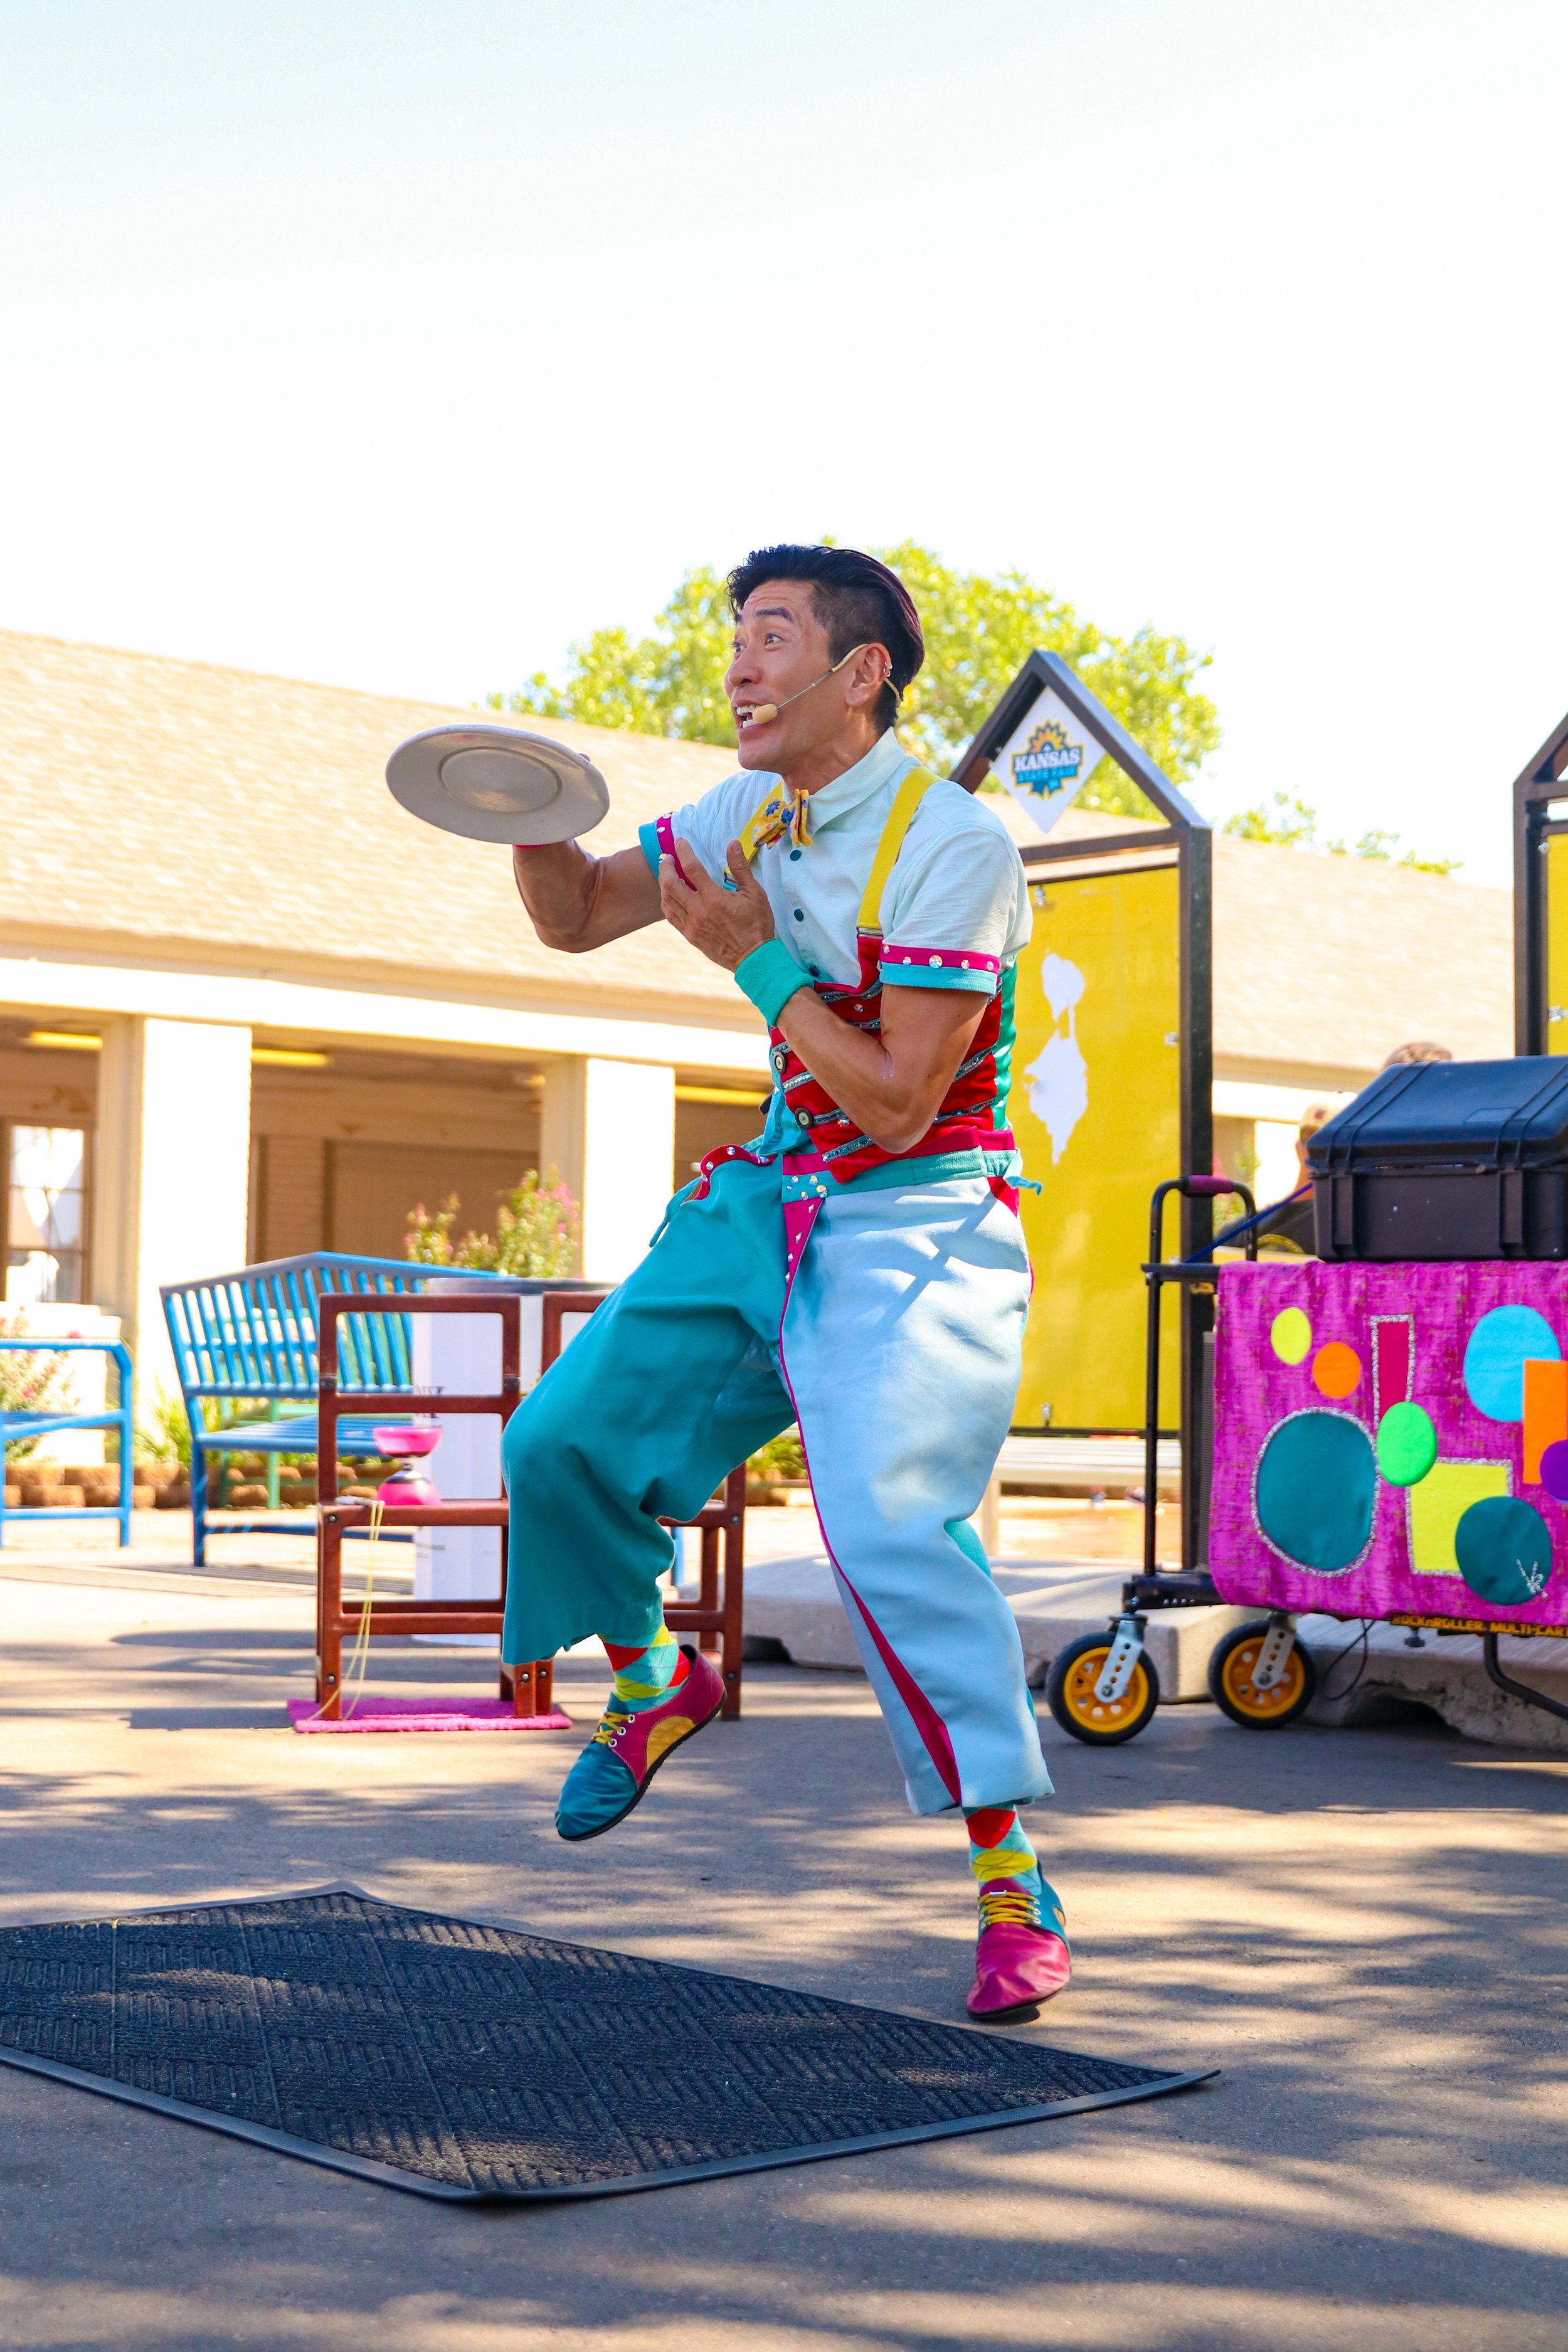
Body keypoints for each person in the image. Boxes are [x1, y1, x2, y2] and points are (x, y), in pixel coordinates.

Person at [501, 544, 1067, 2021]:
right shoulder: (745, 809)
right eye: (734, 637)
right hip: (769, 1191)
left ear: (857, 669)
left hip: (918, 1211)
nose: (738, 667)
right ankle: (649, 1678)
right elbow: (574, 916)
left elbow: (892, 1103)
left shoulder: (956, 846)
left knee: (886, 1530)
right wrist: (523, 819)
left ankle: (1009, 1881)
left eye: (769, 635)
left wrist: (755, 963)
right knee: (554, 1441)